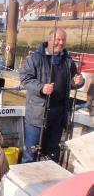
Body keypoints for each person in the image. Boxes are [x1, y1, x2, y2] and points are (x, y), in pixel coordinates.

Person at [20, 28, 84, 163]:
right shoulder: (35, 58)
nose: (61, 43)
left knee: (53, 153)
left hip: (58, 116)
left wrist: (79, 81)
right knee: (31, 153)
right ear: (50, 40)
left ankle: (51, 182)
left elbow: (73, 81)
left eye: (63, 40)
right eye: (58, 39)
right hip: (37, 116)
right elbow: (25, 78)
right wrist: (41, 88)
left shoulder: (68, 60)